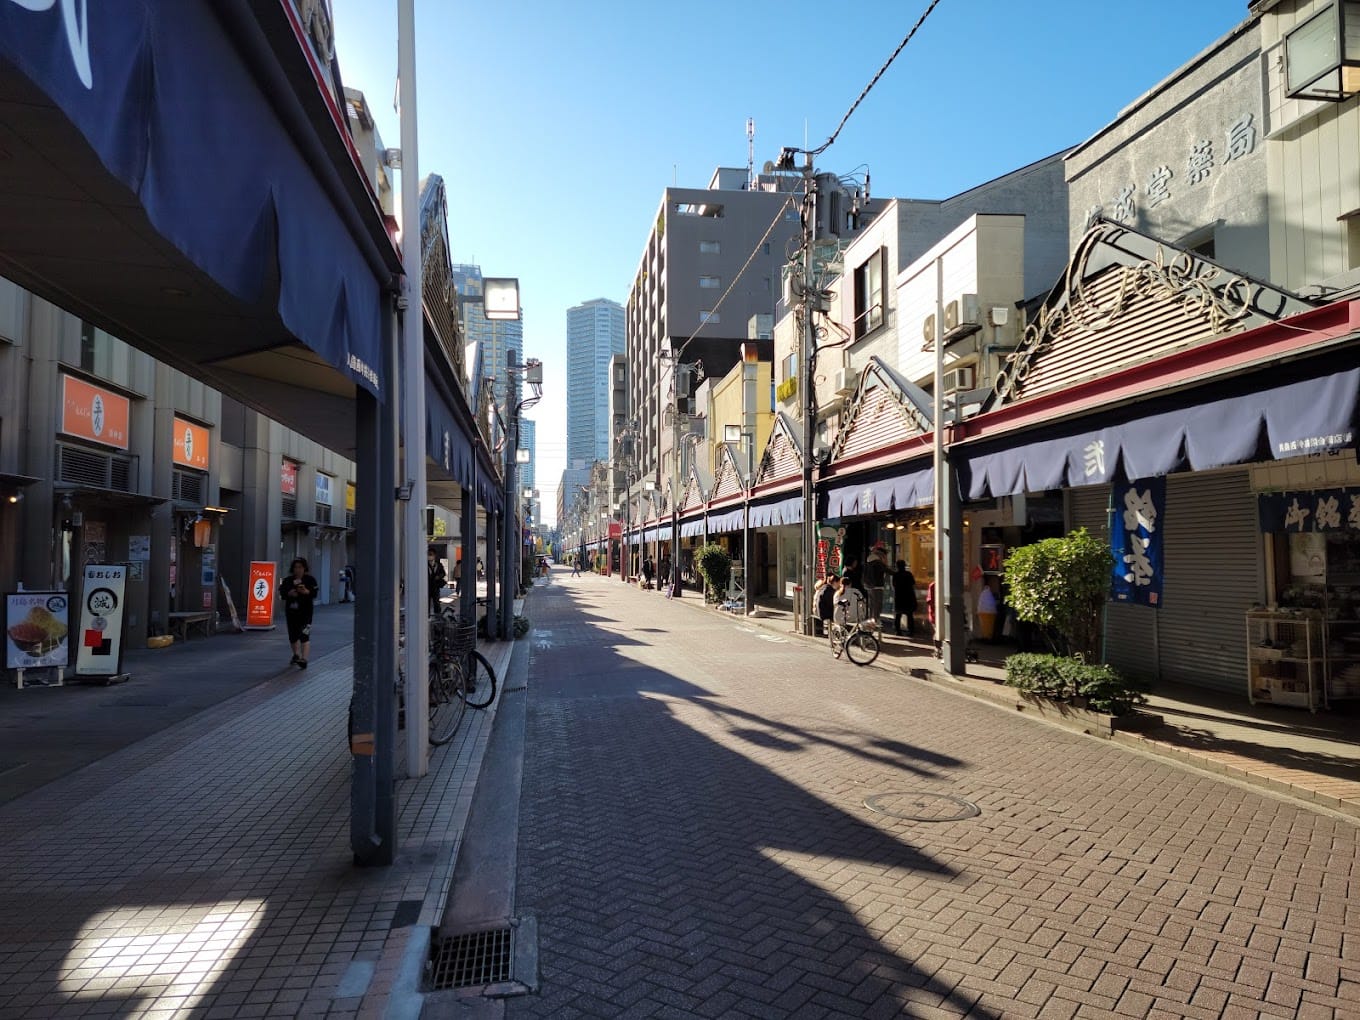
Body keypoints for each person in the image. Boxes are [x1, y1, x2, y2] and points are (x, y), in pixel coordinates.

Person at [279, 557, 318, 669]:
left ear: (304, 568)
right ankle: (296, 655)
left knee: (304, 634)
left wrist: (307, 592)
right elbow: (282, 593)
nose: (298, 570)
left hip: (306, 612)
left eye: (300, 567)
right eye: (296, 567)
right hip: (291, 612)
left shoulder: (310, 580)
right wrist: (289, 593)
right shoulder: (288, 581)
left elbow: (314, 593)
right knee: (293, 635)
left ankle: (304, 659)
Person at [863, 543, 889, 628]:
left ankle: (872, 620)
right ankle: (875, 620)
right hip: (877, 586)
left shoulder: (869, 561)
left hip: (869, 585)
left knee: (872, 604)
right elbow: (887, 570)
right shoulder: (878, 562)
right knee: (877, 604)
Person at [892, 560, 918, 637]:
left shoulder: (895, 575)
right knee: (909, 615)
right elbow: (913, 583)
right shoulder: (908, 574)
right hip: (908, 596)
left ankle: (898, 631)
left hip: (899, 597)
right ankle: (911, 631)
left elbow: (894, 585)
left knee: (898, 615)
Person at [427, 548, 446, 616]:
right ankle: (427, 615)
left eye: (430, 554)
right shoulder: (424, 564)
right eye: (428, 554)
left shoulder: (439, 564)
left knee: (436, 602)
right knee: (426, 603)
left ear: (434, 555)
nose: (429, 556)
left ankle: (437, 616)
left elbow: (443, 573)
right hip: (427, 587)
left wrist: (439, 576)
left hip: (435, 587)